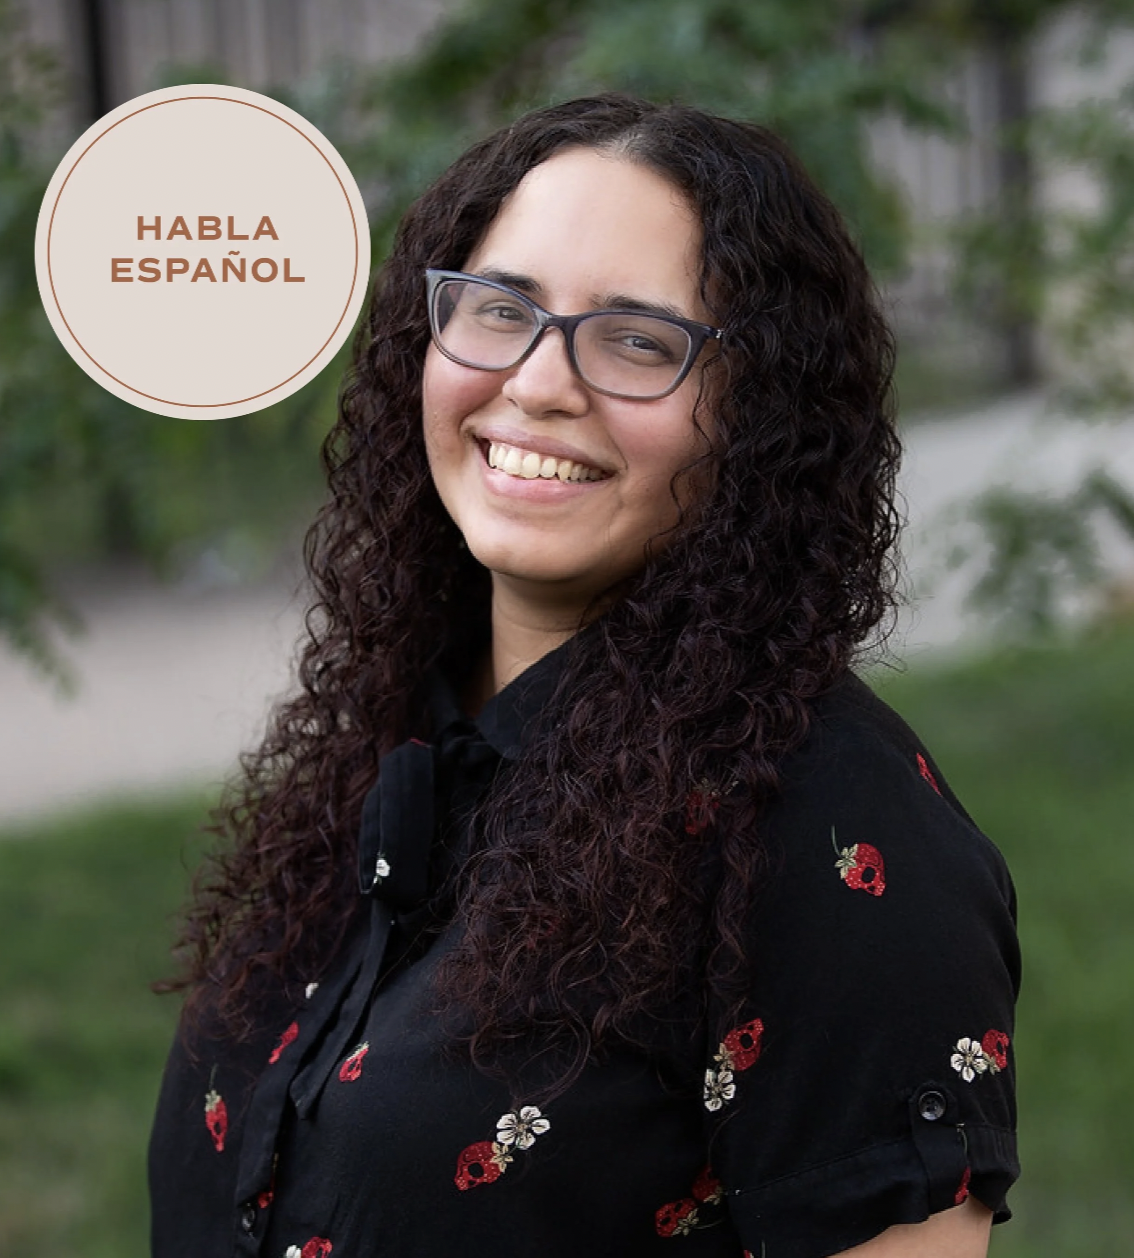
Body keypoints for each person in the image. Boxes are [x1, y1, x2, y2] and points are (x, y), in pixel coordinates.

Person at [148, 94, 1019, 1258]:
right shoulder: (399, 740)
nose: (541, 384)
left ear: (761, 420)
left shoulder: (831, 835)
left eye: (639, 341)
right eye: (500, 310)